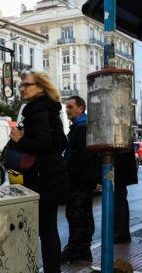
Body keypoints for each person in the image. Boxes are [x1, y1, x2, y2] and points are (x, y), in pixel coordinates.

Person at [10, 71, 69, 272]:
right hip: (51, 176)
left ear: (40, 88)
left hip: (42, 179)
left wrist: (21, 139)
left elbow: (43, 144)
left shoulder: (37, 110)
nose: (23, 88)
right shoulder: (51, 109)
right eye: (22, 85)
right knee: (48, 229)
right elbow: (62, 142)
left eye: (27, 85)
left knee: (44, 230)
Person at [61, 95, 97, 263]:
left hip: (79, 180)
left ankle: (75, 251)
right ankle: (83, 251)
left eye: (70, 107)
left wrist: (65, 167)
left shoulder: (82, 128)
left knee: (77, 216)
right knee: (82, 215)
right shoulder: (81, 126)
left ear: (81, 108)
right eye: (67, 107)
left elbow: (78, 157)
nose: (67, 110)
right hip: (83, 180)